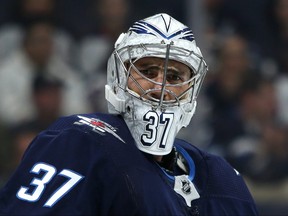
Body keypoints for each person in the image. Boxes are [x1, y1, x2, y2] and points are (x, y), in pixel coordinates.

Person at [0, 13, 258, 215]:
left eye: (174, 76)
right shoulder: (80, 142)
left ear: (192, 90)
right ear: (118, 77)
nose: (160, 87)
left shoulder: (223, 179)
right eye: (147, 71)